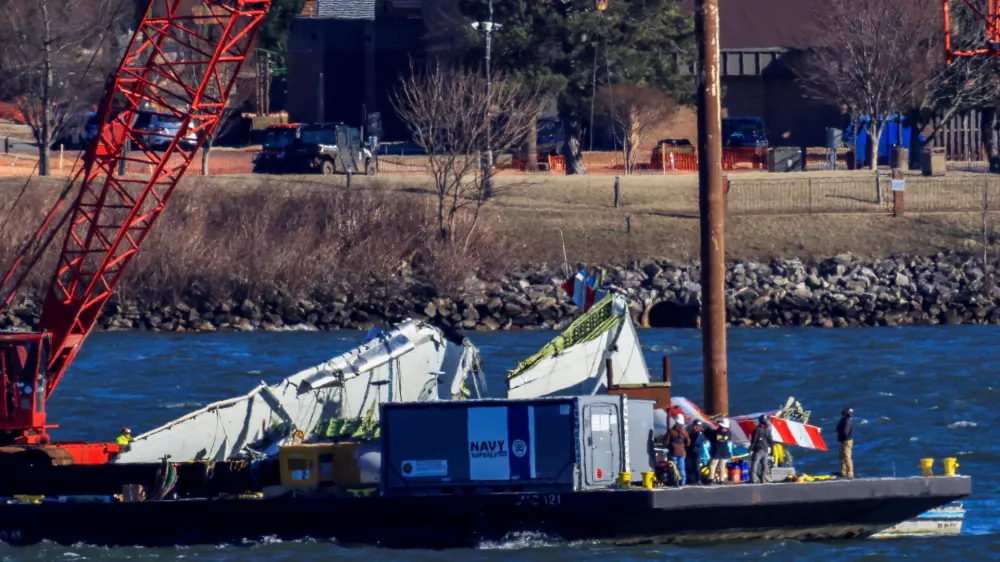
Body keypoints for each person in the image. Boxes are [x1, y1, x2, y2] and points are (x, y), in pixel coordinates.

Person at [666, 415, 690, 486]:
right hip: (682, 452)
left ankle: (675, 481)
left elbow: (666, 442)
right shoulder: (684, 431)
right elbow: (688, 442)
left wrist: (668, 445)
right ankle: (683, 481)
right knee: (682, 468)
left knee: (674, 468)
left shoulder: (671, 431)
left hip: (673, 452)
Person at [706, 418, 732, 484]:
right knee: (722, 466)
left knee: (712, 465)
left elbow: (710, 437)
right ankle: (721, 480)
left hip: (716, 452)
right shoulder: (728, 433)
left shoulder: (716, 433)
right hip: (725, 452)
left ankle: (711, 479)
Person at [749, 415, 773, 484]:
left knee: (755, 463)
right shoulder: (768, 430)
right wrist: (772, 450)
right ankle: (763, 479)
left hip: (758, 449)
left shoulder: (757, 430)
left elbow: (753, 441)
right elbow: (771, 441)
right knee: (764, 465)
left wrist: (750, 449)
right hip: (765, 450)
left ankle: (753, 479)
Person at [686, 420, 707, 484]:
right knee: (690, 465)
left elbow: (696, 442)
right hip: (691, 451)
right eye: (694, 425)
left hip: (697, 452)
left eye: (697, 426)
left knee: (696, 466)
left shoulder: (700, 434)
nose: (695, 427)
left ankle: (698, 479)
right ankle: (691, 479)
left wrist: (689, 441)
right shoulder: (692, 433)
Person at [836, 408, 854, 478]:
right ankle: (843, 472)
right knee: (842, 456)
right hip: (843, 440)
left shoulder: (847, 420)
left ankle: (850, 473)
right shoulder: (844, 419)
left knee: (847, 457)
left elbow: (845, 431)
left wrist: (843, 436)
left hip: (846, 440)